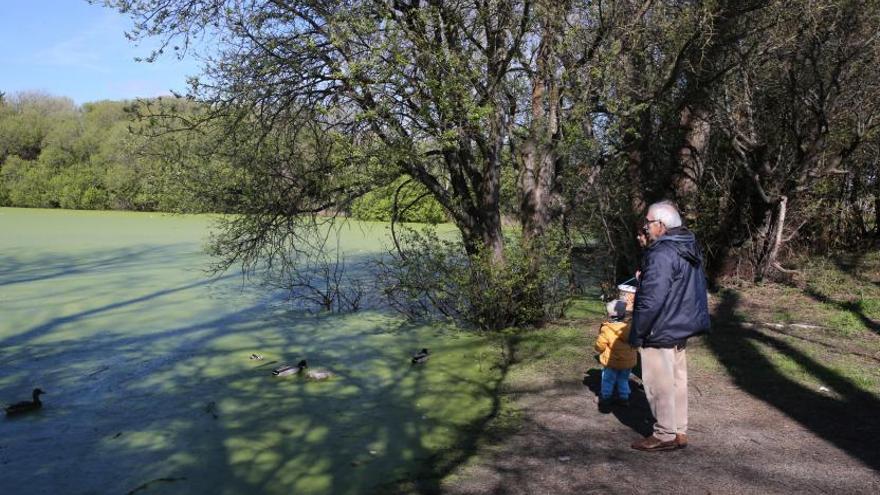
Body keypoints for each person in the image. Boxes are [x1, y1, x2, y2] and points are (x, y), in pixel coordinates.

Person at [629, 200, 710, 452]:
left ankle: (664, 434)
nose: (645, 227)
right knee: (677, 380)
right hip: (680, 324)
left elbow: (652, 299)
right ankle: (679, 430)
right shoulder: (687, 245)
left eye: (648, 223)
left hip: (660, 326)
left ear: (661, 225)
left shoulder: (661, 253)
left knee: (658, 383)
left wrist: (637, 333)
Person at [595, 299, 637, 412]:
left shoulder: (607, 329)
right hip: (627, 362)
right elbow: (636, 343)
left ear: (610, 314)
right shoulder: (629, 328)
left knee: (608, 379)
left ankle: (606, 397)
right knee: (623, 379)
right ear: (624, 314)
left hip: (611, 362)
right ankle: (624, 398)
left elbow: (600, 345)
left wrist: (597, 349)